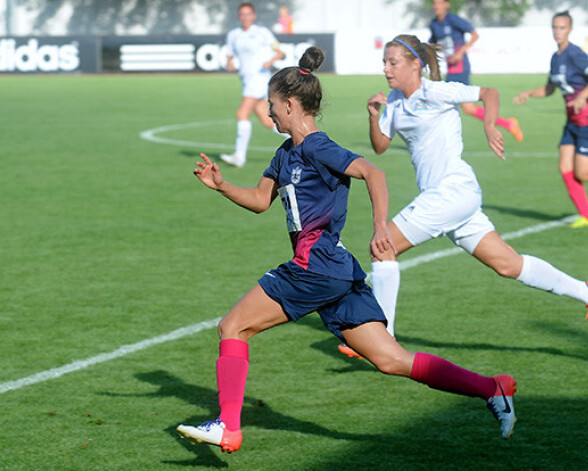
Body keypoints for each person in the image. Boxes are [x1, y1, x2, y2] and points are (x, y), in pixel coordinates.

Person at [176, 46, 518, 455]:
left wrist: (379, 229)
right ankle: (492, 388)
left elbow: (373, 172)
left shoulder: (320, 148)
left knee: (233, 328)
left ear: (290, 104)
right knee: (392, 360)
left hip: (314, 267)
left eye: (271, 106)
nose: (268, 114)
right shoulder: (285, 154)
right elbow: (259, 199)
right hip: (335, 271)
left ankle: (228, 426)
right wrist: (222, 186)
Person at [337, 34, 588, 362]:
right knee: (509, 264)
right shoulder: (395, 101)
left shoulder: (436, 91)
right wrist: (374, 115)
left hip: (452, 191)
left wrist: (488, 126)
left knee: (383, 246)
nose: (386, 68)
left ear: (416, 65)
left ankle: (383, 336)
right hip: (450, 198)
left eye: (392, 62)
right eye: (384, 62)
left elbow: (489, 93)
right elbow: (381, 146)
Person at [513, 10, 588, 229]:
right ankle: (586, 215)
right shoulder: (556, 57)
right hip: (571, 122)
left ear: (570, 29)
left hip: (586, 121)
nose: (557, 32)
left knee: (582, 172)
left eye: (562, 27)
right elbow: (550, 88)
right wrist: (528, 93)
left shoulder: (576, 54)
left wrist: (583, 95)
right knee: (565, 167)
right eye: (555, 27)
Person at [429, 0, 523, 142]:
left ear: (447, 4)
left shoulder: (453, 20)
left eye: (439, 3)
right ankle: (508, 124)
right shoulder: (434, 24)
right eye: (434, 3)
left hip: (460, 68)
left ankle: (438, 140)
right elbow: (433, 44)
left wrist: (460, 52)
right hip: (450, 69)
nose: (436, 6)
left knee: (441, 102)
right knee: (467, 108)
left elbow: (475, 35)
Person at [221, 2, 286, 168]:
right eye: (242, 14)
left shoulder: (262, 33)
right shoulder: (233, 35)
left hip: (259, 79)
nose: (245, 17)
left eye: (248, 14)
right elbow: (229, 55)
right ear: (239, 16)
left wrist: (269, 61)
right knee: (267, 121)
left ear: (253, 16)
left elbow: (280, 52)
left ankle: (239, 156)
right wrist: (229, 63)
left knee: (242, 113)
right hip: (246, 80)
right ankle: (303, 141)